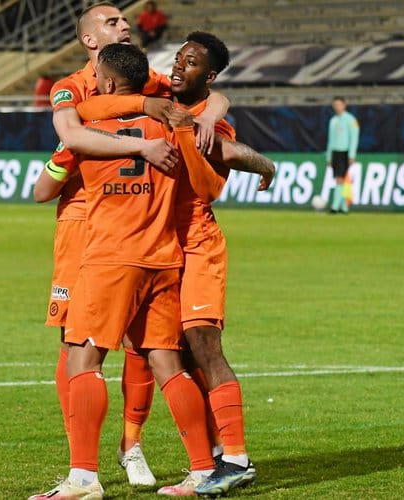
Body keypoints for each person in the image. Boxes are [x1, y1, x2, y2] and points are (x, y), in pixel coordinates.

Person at [71, 31, 274, 496]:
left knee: (201, 342)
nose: (180, 67)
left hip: (196, 242)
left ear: (210, 75)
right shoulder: (159, 95)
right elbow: (97, 106)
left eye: (192, 62)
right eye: (179, 58)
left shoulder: (211, 125)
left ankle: (234, 458)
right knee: (162, 352)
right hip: (158, 245)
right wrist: (151, 107)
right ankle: (181, 452)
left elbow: (209, 185)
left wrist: (210, 130)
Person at [41, 1, 231, 487]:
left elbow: (209, 95)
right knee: (154, 353)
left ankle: (112, 456)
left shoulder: (143, 83)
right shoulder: (74, 87)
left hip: (113, 236)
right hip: (120, 232)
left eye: (125, 20)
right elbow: (71, 128)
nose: (125, 24)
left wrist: (212, 113)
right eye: (113, 21)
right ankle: (201, 465)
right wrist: (147, 126)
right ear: (89, 39)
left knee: (87, 348)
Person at [325, 97, 359, 214]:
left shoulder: (351, 120)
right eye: (335, 105)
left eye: (339, 105)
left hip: (345, 152)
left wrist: (352, 154)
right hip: (335, 152)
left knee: (340, 179)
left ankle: (335, 206)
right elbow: (330, 139)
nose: (337, 107)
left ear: (344, 105)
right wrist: (329, 156)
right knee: (341, 179)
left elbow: (354, 138)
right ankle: (344, 207)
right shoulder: (333, 120)